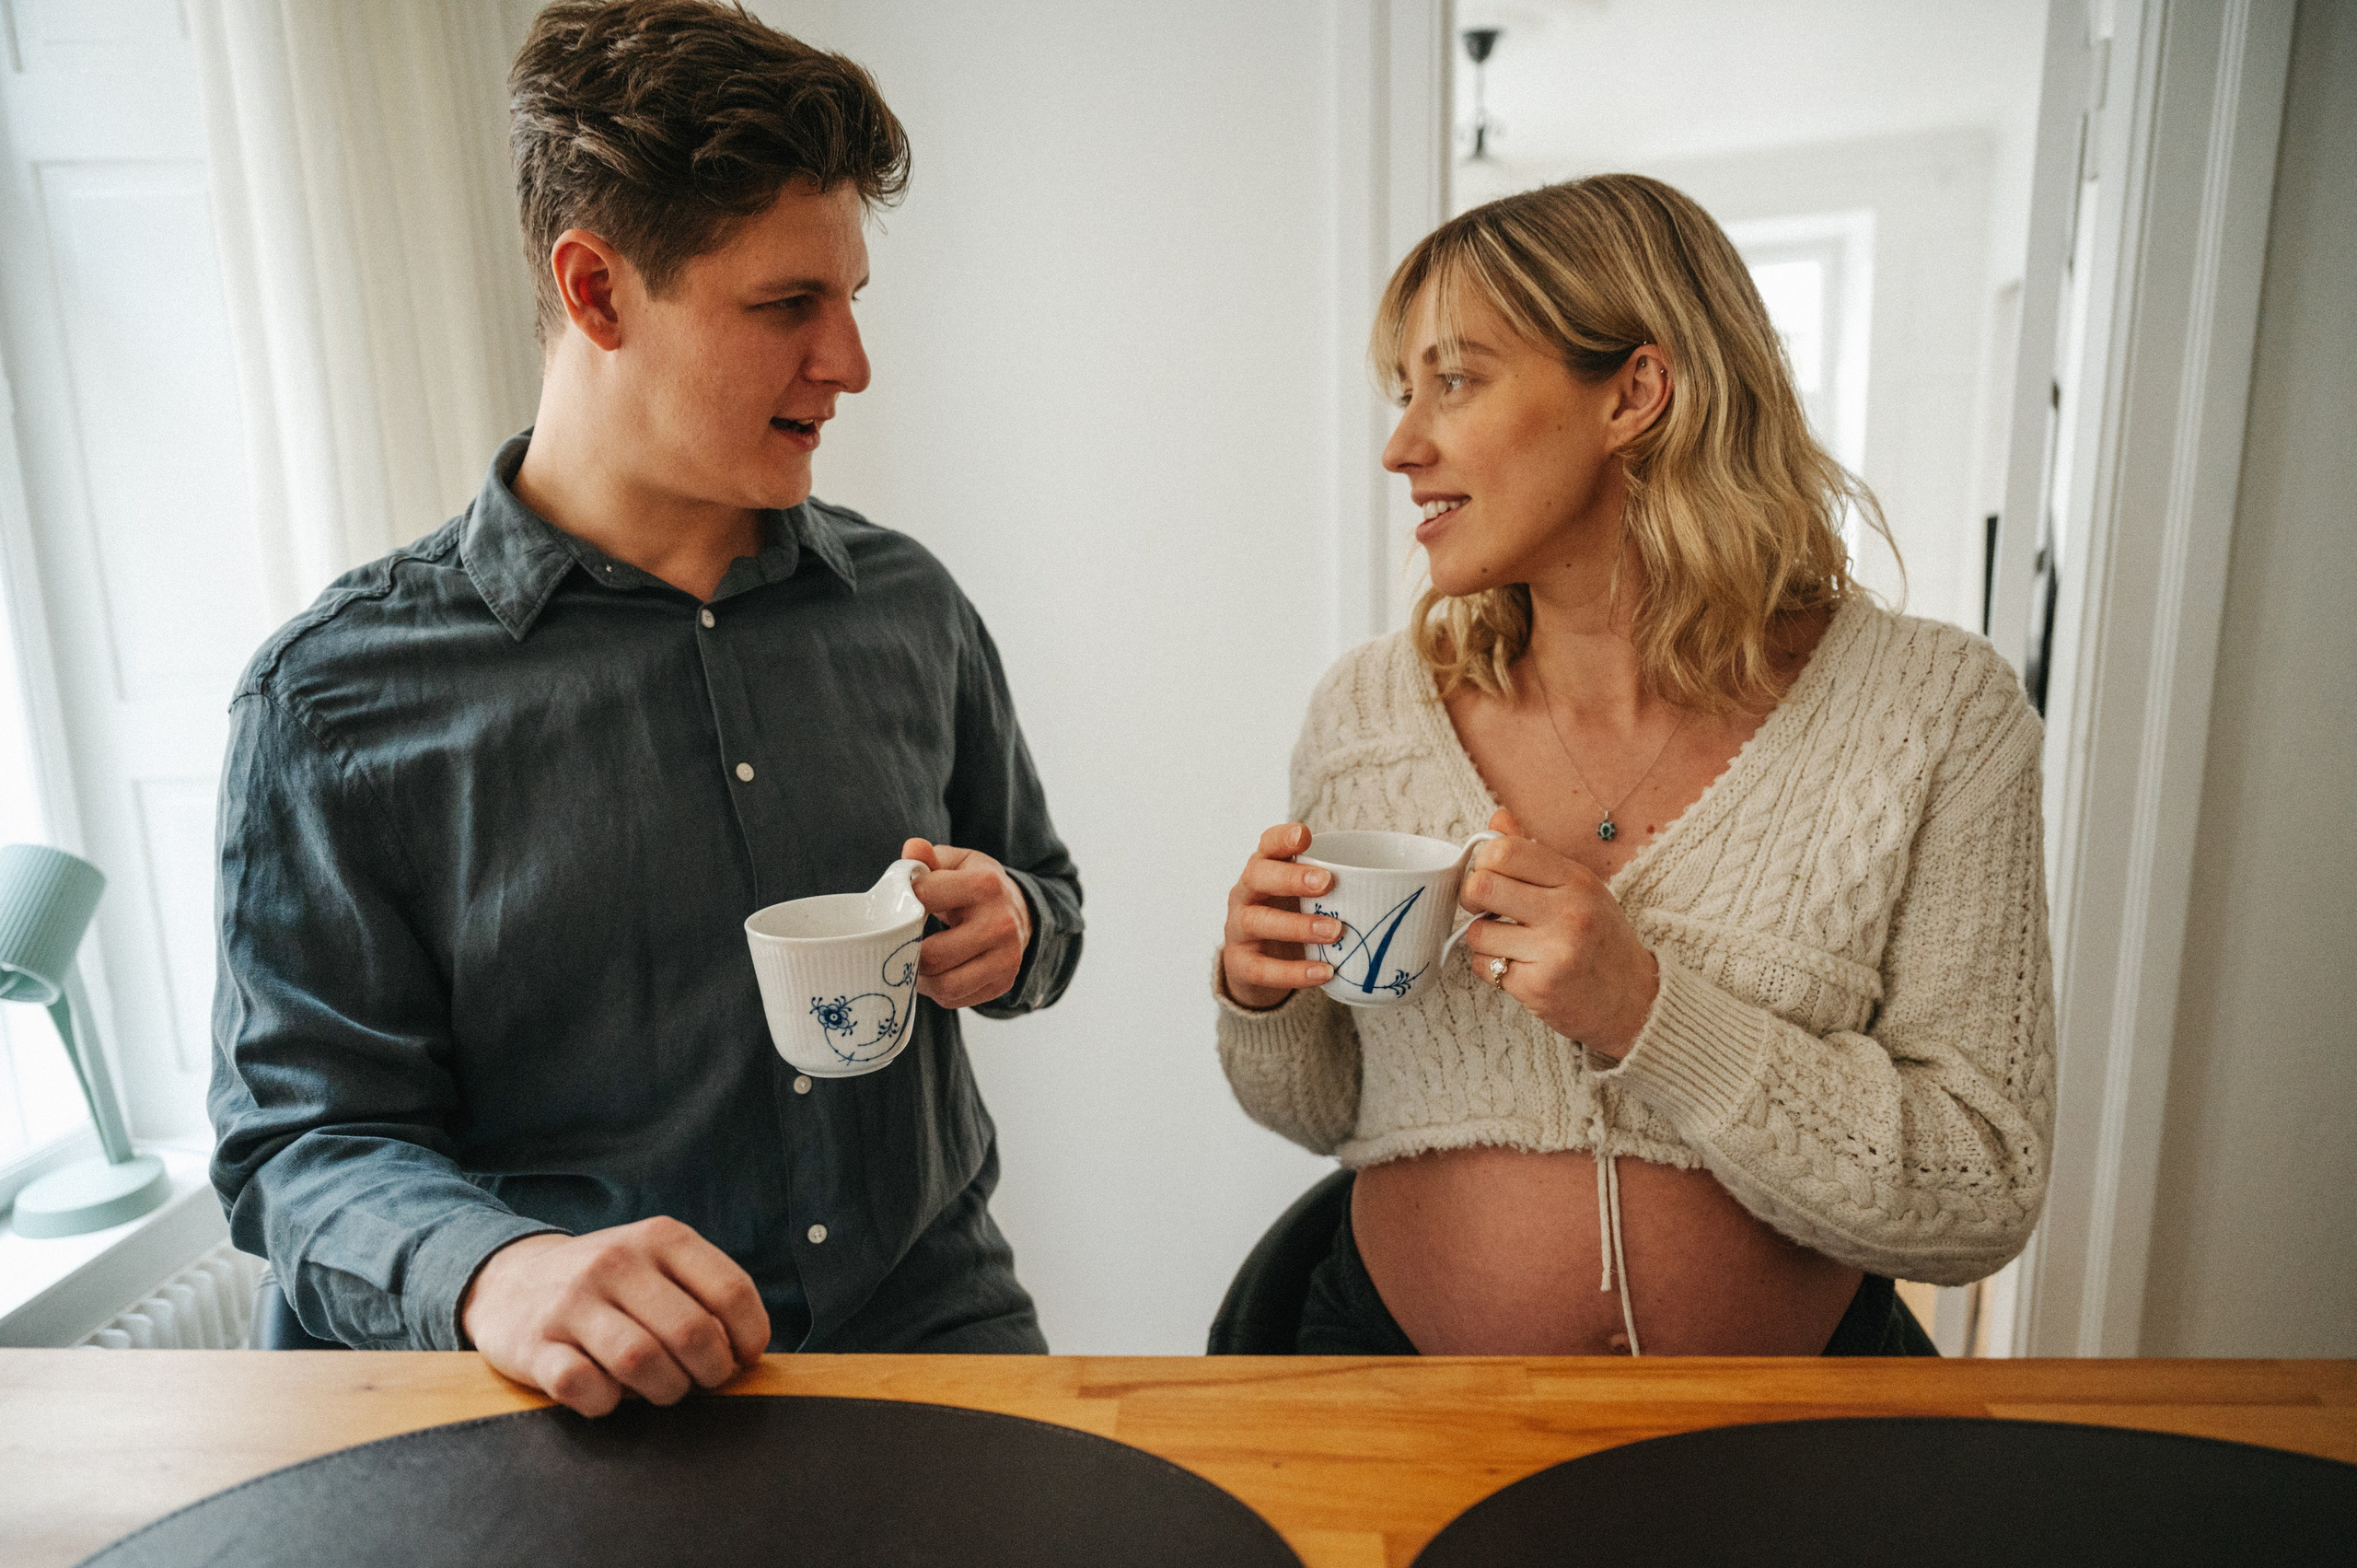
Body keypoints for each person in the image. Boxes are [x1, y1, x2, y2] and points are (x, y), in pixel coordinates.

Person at [210, 0, 1082, 1413]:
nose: (851, 362)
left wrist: (1020, 925)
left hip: (931, 1328)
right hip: (561, 1400)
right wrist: (497, 1270)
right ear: (599, 292)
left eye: (852, 298)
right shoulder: (335, 699)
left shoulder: (909, 604)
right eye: (788, 304)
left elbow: (1048, 900)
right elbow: (298, 1146)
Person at [1215, 174, 2053, 1356]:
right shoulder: (1365, 713)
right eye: (1404, 395)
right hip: (1387, 1404)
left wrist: (1649, 1011)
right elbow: (1327, 1108)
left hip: (1774, 1458)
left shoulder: (1934, 716)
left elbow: (1981, 1188)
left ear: (1636, 393)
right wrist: (1263, 998)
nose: (1403, 445)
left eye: (1453, 380)